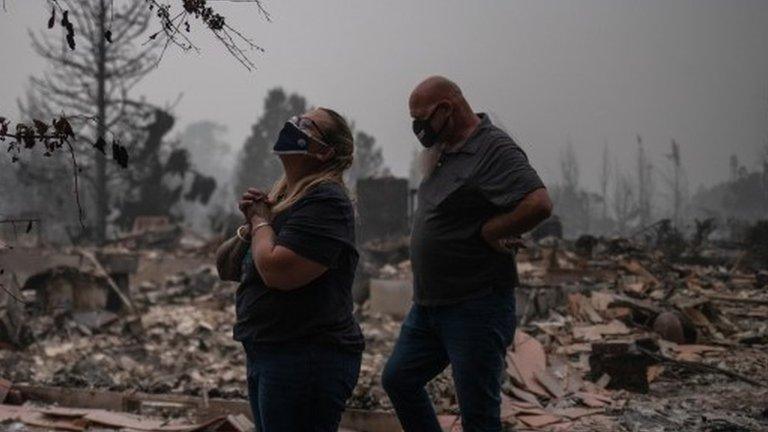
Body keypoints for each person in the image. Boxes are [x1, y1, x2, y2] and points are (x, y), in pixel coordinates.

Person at [382, 76, 553, 432]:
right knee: (398, 379)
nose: (419, 129)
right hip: (429, 305)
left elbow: (538, 203)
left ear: (448, 108)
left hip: (476, 305)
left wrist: (493, 230)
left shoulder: (493, 148)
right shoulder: (442, 150)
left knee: (478, 413)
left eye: (423, 118)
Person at [215, 107, 363, 432]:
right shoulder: (284, 197)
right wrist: (251, 224)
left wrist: (260, 221)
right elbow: (225, 266)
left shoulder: (326, 201)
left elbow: (275, 270)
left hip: (306, 357)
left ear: (325, 152)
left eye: (307, 125)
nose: (294, 125)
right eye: (297, 119)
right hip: (270, 352)